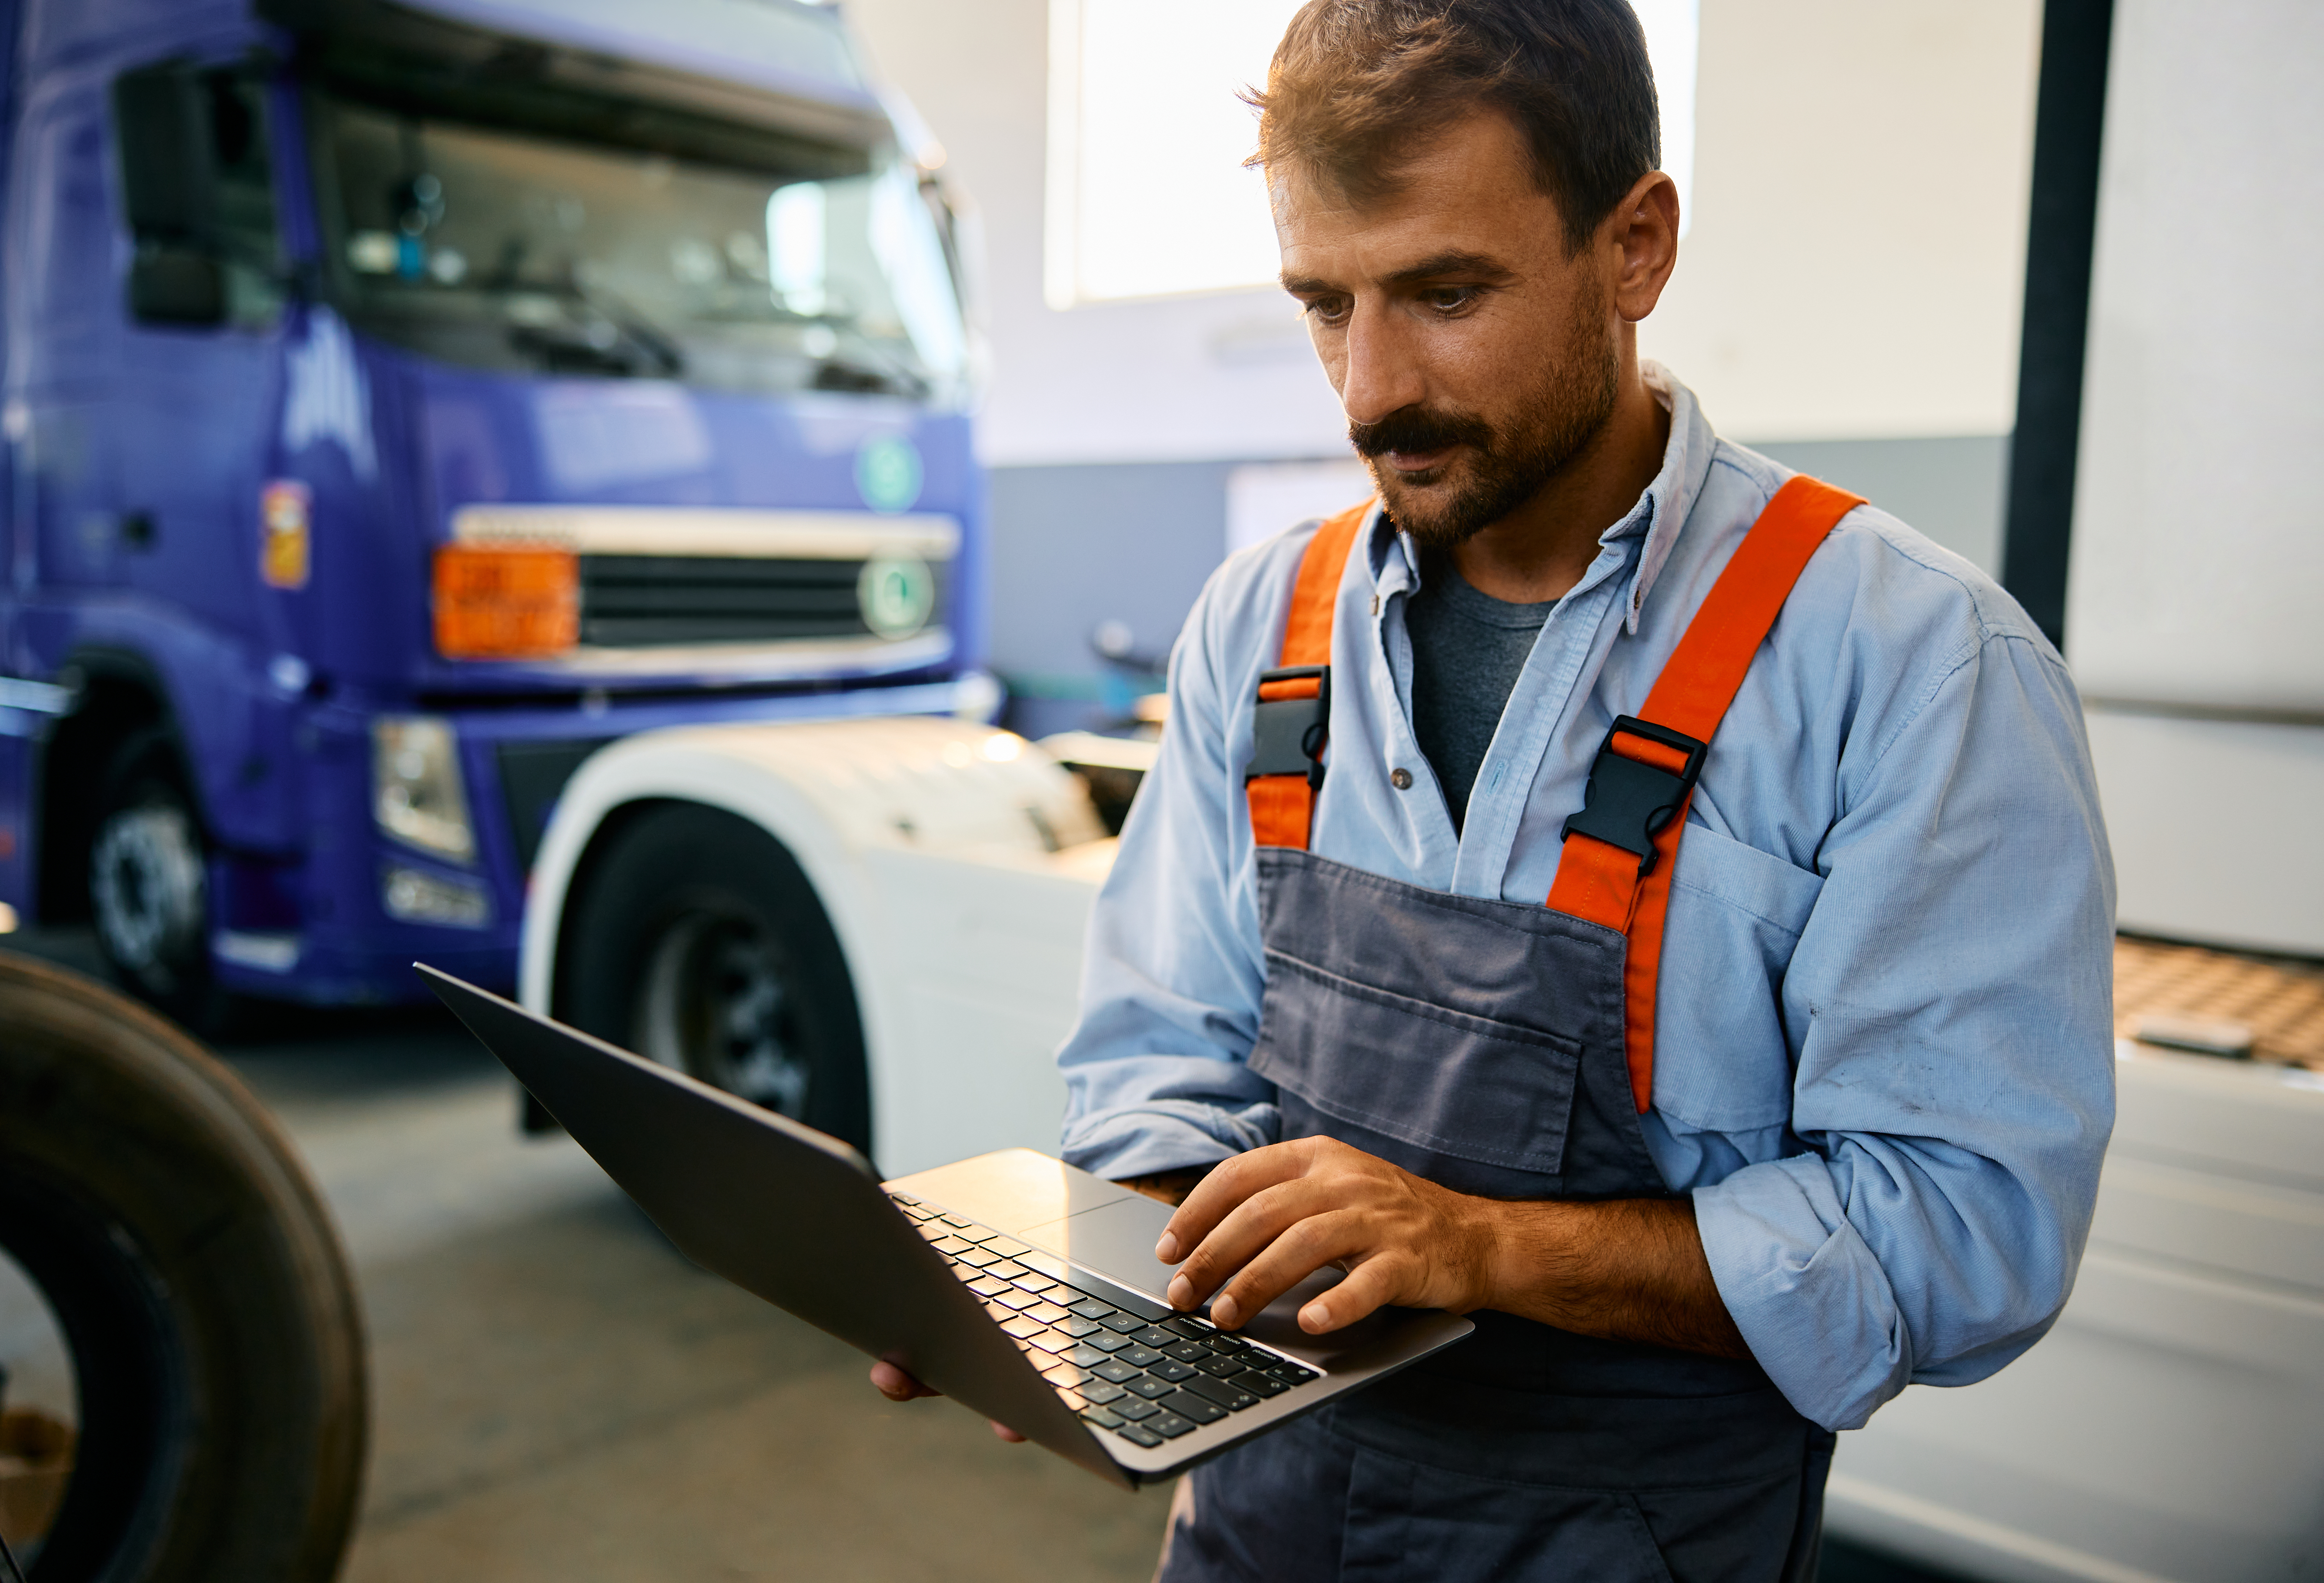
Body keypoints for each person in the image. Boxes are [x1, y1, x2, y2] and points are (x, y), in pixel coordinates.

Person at [877, 0, 2116, 1575]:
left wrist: (1483, 1245)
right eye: (1326, 302)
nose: (1368, 391)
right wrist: (1108, 1291)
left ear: (1638, 247)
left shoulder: (1910, 665)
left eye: (1445, 292)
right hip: (1259, 1523)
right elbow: (1157, 1055)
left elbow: (1967, 1232)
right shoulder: (1263, 626)